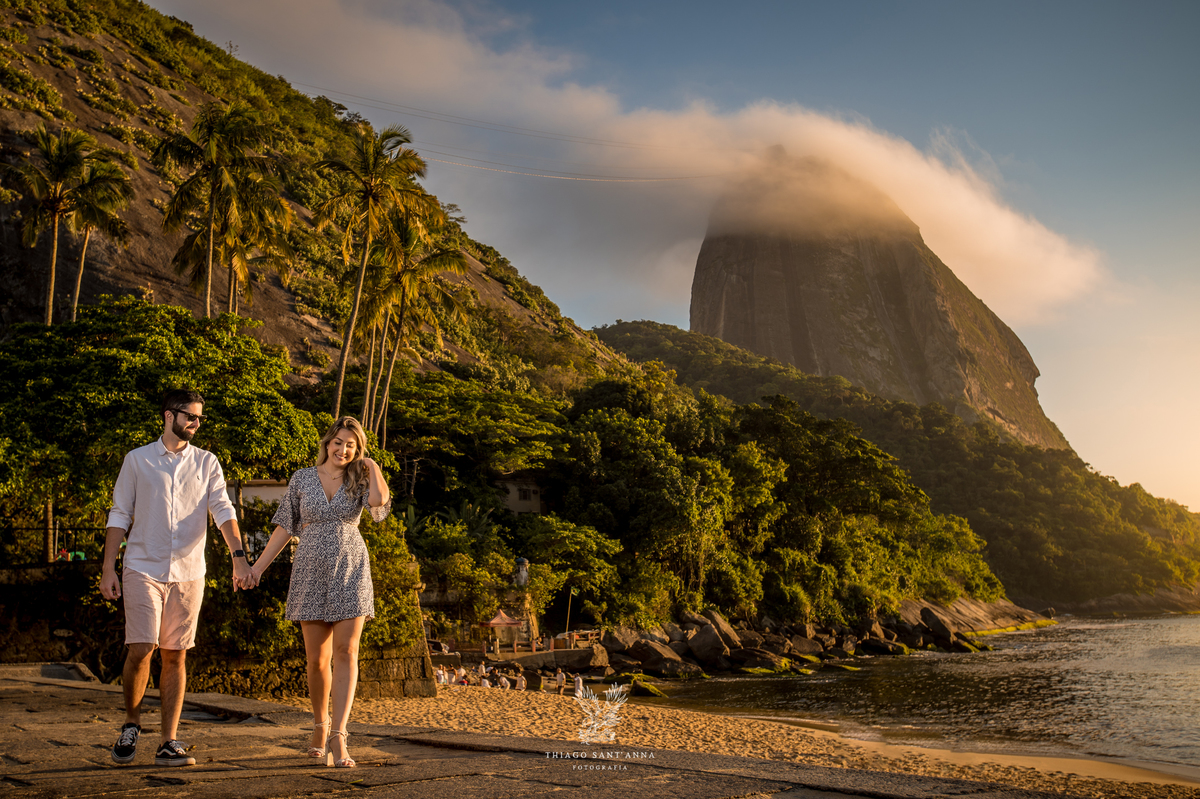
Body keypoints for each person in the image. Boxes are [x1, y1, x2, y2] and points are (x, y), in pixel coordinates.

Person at [100, 389, 251, 767]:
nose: (196, 423)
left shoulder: (207, 463)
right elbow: (119, 514)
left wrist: (238, 558)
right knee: (142, 648)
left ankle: (169, 740)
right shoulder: (137, 460)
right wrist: (107, 567)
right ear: (169, 416)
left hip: (188, 572)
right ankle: (132, 724)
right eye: (191, 417)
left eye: (200, 418)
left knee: (176, 654)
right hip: (141, 567)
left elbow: (222, 509)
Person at [249, 416, 390, 769]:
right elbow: (285, 527)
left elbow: (379, 505)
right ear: (328, 443)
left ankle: (339, 736)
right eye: (339, 442)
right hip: (309, 569)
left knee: (347, 650)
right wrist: (257, 568)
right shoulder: (302, 478)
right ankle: (319, 724)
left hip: (350, 567)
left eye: (351, 445)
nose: (343, 449)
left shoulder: (360, 478)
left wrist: (371, 466)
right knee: (317, 660)